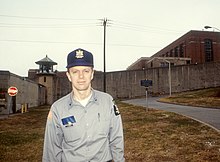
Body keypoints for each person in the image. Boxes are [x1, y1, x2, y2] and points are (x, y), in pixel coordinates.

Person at [42, 48, 125, 162]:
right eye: (75, 72)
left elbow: (116, 139)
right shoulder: (57, 109)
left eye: (86, 71)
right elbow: (51, 150)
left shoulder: (107, 101)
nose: (81, 76)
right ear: (69, 75)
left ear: (92, 74)